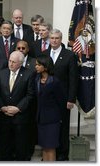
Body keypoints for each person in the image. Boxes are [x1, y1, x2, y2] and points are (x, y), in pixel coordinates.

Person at [43, 29, 78, 161]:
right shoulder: (44, 54)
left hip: (63, 99)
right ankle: (49, 154)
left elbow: (73, 79)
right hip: (46, 99)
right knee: (48, 127)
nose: (54, 40)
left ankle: (63, 154)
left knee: (62, 127)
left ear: (61, 39)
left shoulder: (69, 55)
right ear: (49, 39)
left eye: (57, 38)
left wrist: (71, 99)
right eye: (52, 38)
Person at [0, 51, 35, 161]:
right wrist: (2, 107)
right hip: (4, 116)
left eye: (14, 62)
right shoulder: (2, 73)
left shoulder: (29, 74)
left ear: (20, 63)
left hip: (20, 117)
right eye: (10, 61)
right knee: (5, 147)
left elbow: (30, 94)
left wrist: (18, 108)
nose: (10, 64)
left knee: (21, 147)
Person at [35, 54, 66, 161]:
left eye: (38, 65)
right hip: (41, 119)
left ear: (46, 67)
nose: (36, 67)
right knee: (44, 146)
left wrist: (59, 118)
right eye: (36, 65)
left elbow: (61, 101)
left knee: (51, 147)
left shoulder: (55, 82)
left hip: (52, 120)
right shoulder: (36, 80)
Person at [15, 40, 37, 160]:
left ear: (27, 49)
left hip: (29, 101)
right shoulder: (12, 60)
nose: (21, 50)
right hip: (14, 101)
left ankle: (28, 151)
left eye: (23, 48)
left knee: (28, 129)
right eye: (19, 48)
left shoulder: (34, 62)